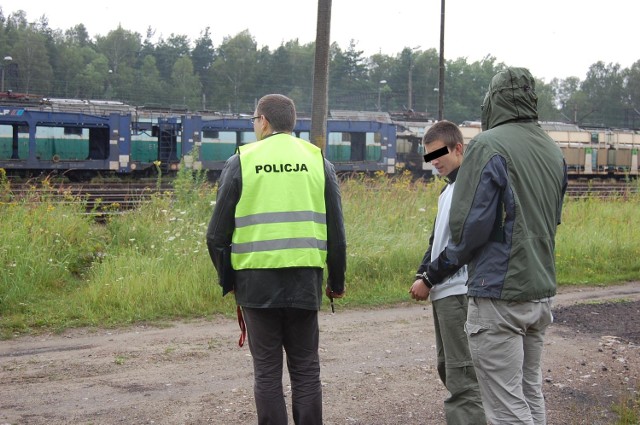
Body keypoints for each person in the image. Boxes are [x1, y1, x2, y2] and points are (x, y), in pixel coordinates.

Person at [419, 67, 568, 424]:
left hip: (500, 293)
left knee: (503, 405)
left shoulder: (488, 144)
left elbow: (469, 228)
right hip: (541, 290)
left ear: (493, 101)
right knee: (530, 390)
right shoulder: (551, 148)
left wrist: (434, 271)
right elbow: (554, 218)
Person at [206, 93, 347, 425]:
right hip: (305, 282)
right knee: (306, 370)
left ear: (264, 121)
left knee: (267, 373)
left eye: (254, 120)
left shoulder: (242, 160)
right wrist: (336, 282)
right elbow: (336, 232)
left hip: (256, 285)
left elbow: (215, 235)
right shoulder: (317, 160)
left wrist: (230, 281)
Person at [409, 120, 486, 425]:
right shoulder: (448, 192)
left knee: (462, 373)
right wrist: (422, 272)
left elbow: (466, 242)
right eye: (429, 156)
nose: (434, 161)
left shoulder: (469, 187)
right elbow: (437, 240)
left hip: (458, 291)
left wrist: (429, 278)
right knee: (448, 366)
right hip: (444, 291)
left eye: (439, 153)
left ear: (458, 148)